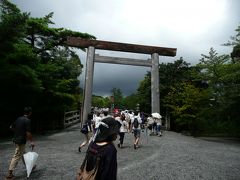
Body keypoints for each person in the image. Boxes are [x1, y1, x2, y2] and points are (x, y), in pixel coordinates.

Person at [6, 107, 35, 180]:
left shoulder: (18, 118)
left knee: (23, 154)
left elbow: (11, 127)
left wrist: (17, 133)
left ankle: (31, 166)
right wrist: (31, 141)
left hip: (16, 139)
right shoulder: (27, 120)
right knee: (17, 156)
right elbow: (28, 133)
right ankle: (10, 174)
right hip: (21, 141)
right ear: (30, 112)